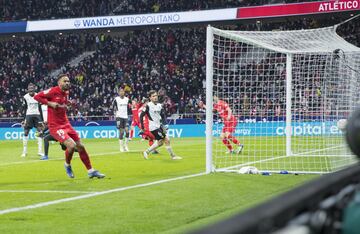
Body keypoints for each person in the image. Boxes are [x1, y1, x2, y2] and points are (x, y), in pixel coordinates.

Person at [34, 74, 105, 179]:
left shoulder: (66, 93)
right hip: (55, 126)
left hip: (66, 123)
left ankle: (91, 171)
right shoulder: (53, 91)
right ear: (59, 83)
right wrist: (49, 103)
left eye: (68, 81)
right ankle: (67, 165)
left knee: (81, 146)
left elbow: (62, 102)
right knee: (71, 146)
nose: (67, 83)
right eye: (65, 81)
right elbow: (37, 96)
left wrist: (68, 103)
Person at [140, 90, 182, 160]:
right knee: (166, 139)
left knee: (160, 143)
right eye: (153, 96)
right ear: (150, 98)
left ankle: (146, 152)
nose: (155, 97)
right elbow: (141, 116)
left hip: (159, 126)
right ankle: (173, 156)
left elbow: (163, 115)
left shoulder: (159, 105)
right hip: (153, 127)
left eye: (156, 95)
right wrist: (142, 126)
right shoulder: (148, 106)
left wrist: (165, 124)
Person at [21, 83, 44, 157]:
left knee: (40, 132)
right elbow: (24, 109)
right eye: (29, 89)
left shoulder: (38, 96)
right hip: (28, 115)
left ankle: (40, 152)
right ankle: (24, 152)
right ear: (27, 90)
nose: (31, 90)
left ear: (34, 89)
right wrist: (23, 119)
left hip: (37, 115)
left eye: (32, 89)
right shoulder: (25, 97)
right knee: (26, 132)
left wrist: (42, 119)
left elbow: (40, 108)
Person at [112, 88, 130, 152]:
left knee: (127, 131)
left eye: (123, 91)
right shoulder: (116, 99)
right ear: (119, 92)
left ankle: (126, 145)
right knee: (121, 132)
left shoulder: (127, 99)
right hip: (119, 117)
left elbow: (130, 106)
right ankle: (121, 147)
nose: (122, 92)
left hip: (125, 117)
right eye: (121, 91)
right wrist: (114, 114)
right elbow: (112, 107)